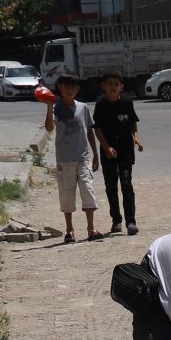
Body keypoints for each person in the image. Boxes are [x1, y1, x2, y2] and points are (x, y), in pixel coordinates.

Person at [42, 74, 101, 243]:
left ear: (78, 89)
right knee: (67, 194)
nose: (70, 90)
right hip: (65, 160)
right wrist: (49, 107)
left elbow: (89, 130)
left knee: (88, 190)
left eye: (74, 87)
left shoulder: (83, 108)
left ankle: (91, 228)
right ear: (60, 87)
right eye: (67, 86)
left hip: (83, 157)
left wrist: (95, 155)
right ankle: (69, 230)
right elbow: (49, 127)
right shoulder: (56, 109)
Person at [92, 72, 142, 236]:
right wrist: (106, 148)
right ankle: (116, 220)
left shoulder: (127, 102)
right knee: (111, 186)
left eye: (116, 84)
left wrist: (136, 138)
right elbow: (97, 129)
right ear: (103, 86)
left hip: (125, 150)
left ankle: (131, 221)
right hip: (108, 151)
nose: (113, 87)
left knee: (127, 185)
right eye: (109, 84)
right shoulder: (101, 104)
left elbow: (132, 123)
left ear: (121, 86)